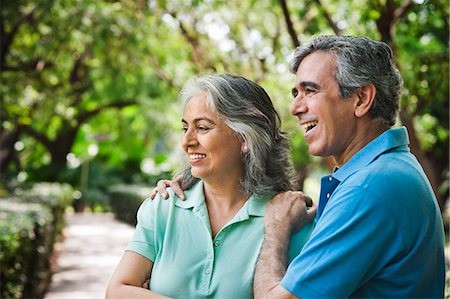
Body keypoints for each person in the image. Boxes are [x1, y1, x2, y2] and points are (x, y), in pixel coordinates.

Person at [154, 36, 445, 298]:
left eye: (310, 90)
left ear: (361, 99)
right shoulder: (384, 172)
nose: (295, 108)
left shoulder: (371, 187)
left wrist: (277, 228)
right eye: (296, 93)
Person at [105, 74, 316, 299]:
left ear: (246, 138)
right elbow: (117, 290)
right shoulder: (164, 207)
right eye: (185, 128)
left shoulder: (287, 220)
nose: (187, 141)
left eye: (203, 128)